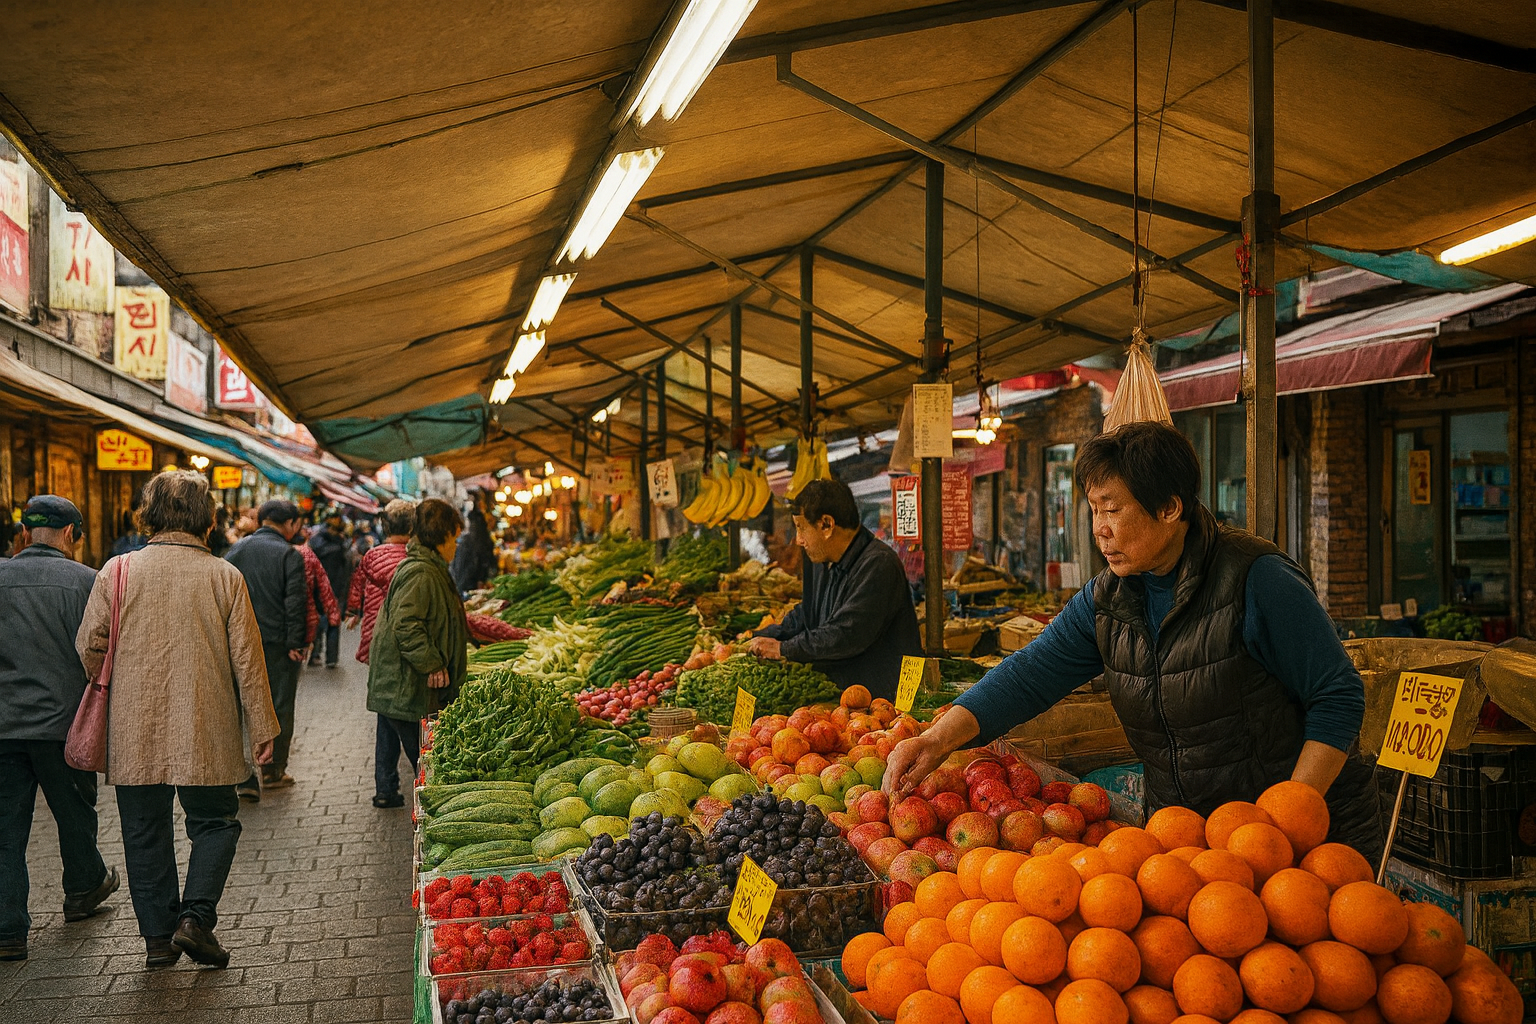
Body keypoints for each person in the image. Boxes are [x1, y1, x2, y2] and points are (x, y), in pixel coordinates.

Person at [883, 422, 1382, 858]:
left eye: (1113, 510)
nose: (1100, 530)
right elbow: (1031, 674)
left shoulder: (1257, 579)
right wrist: (936, 740)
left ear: (1169, 508)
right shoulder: (1109, 598)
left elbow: (1337, 696)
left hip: (1307, 841)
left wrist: (1290, 816)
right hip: (1189, 840)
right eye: (1093, 510)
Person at [76, 471, 279, 969]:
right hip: (205, 727)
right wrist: (264, 728)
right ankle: (196, 919)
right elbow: (248, 661)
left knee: (144, 830)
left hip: (133, 726)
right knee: (215, 822)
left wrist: (118, 682)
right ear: (206, 518)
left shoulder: (117, 571)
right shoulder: (224, 576)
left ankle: (157, 941)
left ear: (149, 515)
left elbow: (89, 645)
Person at [0, 496, 120, 962]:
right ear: (72, 534)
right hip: (62, 725)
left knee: (6, 830)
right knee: (74, 814)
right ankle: (82, 890)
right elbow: (101, 652)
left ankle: (8, 930)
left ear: (25, 532)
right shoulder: (87, 582)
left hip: (5, 725)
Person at [747, 478, 921, 701]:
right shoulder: (821, 561)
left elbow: (846, 634)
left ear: (827, 525)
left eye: (801, 528)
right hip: (838, 697)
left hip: (884, 701)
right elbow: (808, 613)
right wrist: (760, 638)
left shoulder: (879, 564)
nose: (798, 540)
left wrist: (784, 649)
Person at [366, 499, 469, 803]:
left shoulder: (427, 567)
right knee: (425, 759)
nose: (456, 545)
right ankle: (434, 813)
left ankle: (394, 793)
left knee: (416, 751)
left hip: (400, 682)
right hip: (406, 682)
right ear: (442, 536)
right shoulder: (421, 572)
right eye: (455, 538)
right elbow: (406, 623)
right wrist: (433, 663)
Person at [225, 500, 307, 796]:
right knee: (279, 706)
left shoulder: (235, 551)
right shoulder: (288, 554)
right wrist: (296, 643)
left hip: (239, 644)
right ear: (290, 524)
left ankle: (243, 774)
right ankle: (273, 771)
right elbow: (295, 602)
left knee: (240, 708)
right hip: (276, 645)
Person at [346, 499, 416, 806]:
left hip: (374, 643)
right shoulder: (414, 561)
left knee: (386, 714)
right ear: (413, 528)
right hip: (400, 646)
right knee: (405, 715)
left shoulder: (371, 555)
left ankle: (386, 788)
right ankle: (422, 777)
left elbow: (356, 587)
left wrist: (352, 611)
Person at [307, 514, 352, 668]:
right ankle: (331, 658)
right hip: (335, 587)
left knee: (317, 620)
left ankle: (315, 654)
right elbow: (347, 569)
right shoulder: (342, 545)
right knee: (333, 622)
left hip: (317, 586)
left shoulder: (315, 542)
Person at [294, 525, 341, 666]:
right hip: (328, 590)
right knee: (331, 622)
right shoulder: (310, 554)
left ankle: (312, 653)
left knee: (314, 622)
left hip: (306, 596)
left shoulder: (307, 551)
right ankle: (330, 658)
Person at [449, 507, 495, 594]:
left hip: (464, 585)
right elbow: (490, 563)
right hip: (479, 586)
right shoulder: (488, 540)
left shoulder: (465, 541)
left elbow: (458, 567)